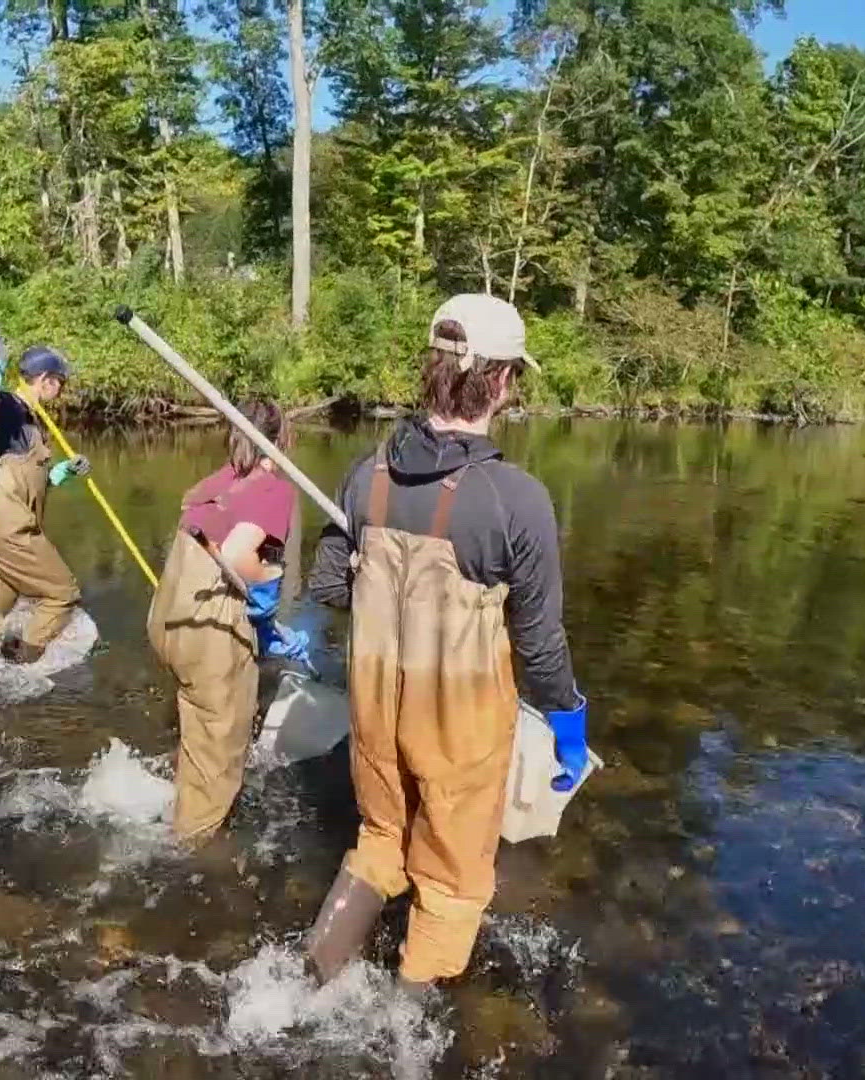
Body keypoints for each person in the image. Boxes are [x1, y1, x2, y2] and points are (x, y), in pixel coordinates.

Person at [302, 294, 588, 987]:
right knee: (453, 881)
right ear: (498, 381)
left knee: (378, 843)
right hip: (459, 723)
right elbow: (540, 640)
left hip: (374, 707)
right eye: (514, 374)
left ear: (434, 368)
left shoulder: (365, 475)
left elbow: (330, 585)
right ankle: (408, 1025)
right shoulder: (515, 497)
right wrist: (567, 721)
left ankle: (307, 984)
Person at [147, 401, 312, 846]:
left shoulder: (217, 481)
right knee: (220, 755)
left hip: (169, 621)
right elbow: (239, 557)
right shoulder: (274, 489)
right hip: (210, 633)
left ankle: (175, 799)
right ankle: (187, 853)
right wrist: (269, 583)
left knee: (194, 719)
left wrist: (262, 623)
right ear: (278, 442)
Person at [0, 345, 90, 663]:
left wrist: (61, 474)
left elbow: (24, 478)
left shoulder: (31, 419)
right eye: (60, 382)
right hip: (6, 527)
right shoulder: (7, 407)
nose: (62, 389)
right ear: (45, 380)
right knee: (61, 594)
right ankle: (22, 663)